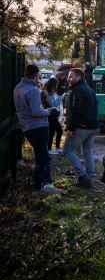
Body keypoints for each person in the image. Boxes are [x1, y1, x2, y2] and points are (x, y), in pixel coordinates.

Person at [13, 65, 65, 195]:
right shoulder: (33, 90)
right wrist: (48, 111)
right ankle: (37, 188)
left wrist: (41, 97)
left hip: (26, 127)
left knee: (44, 155)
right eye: (39, 76)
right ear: (36, 75)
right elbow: (36, 112)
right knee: (41, 157)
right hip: (38, 126)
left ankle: (48, 183)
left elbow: (26, 106)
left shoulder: (18, 88)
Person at [63, 68, 101, 188]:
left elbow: (76, 110)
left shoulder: (78, 90)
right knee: (87, 152)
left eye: (70, 76)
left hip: (83, 127)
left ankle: (83, 176)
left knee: (67, 149)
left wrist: (71, 128)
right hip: (93, 126)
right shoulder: (89, 88)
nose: (68, 79)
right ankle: (89, 177)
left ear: (78, 77)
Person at [43, 77, 66, 154]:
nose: (56, 86)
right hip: (51, 115)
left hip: (52, 114)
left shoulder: (51, 93)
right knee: (55, 131)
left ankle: (54, 148)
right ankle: (51, 148)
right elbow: (53, 104)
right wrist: (60, 98)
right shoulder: (49, 93)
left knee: (54, 131)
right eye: (56, 85)